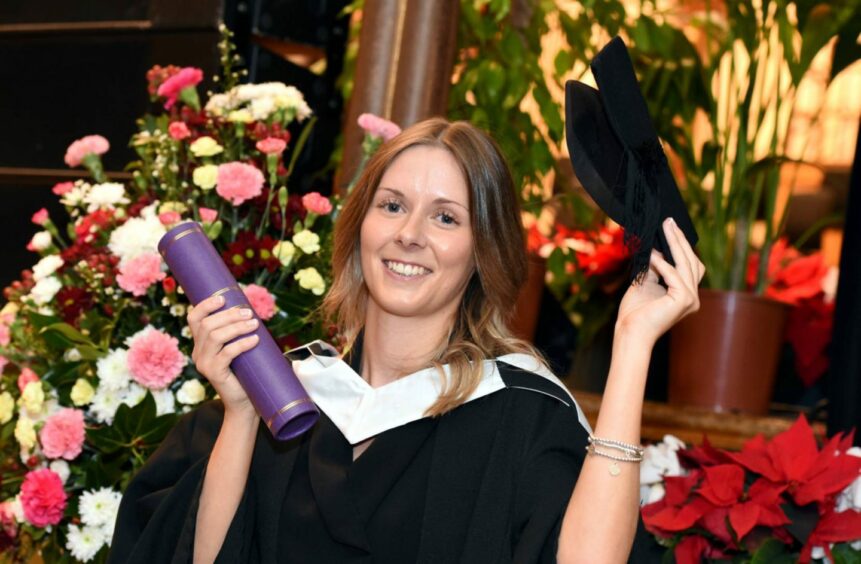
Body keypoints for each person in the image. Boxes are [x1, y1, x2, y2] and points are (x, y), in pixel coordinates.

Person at [108, 118, 704, 563]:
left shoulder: (522, 414)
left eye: (446, 217)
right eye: (392, 206)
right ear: (360, 226)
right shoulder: (283, 396)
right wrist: (239, 417)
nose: (410, 235)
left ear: (483, 252)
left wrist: (632, 343)